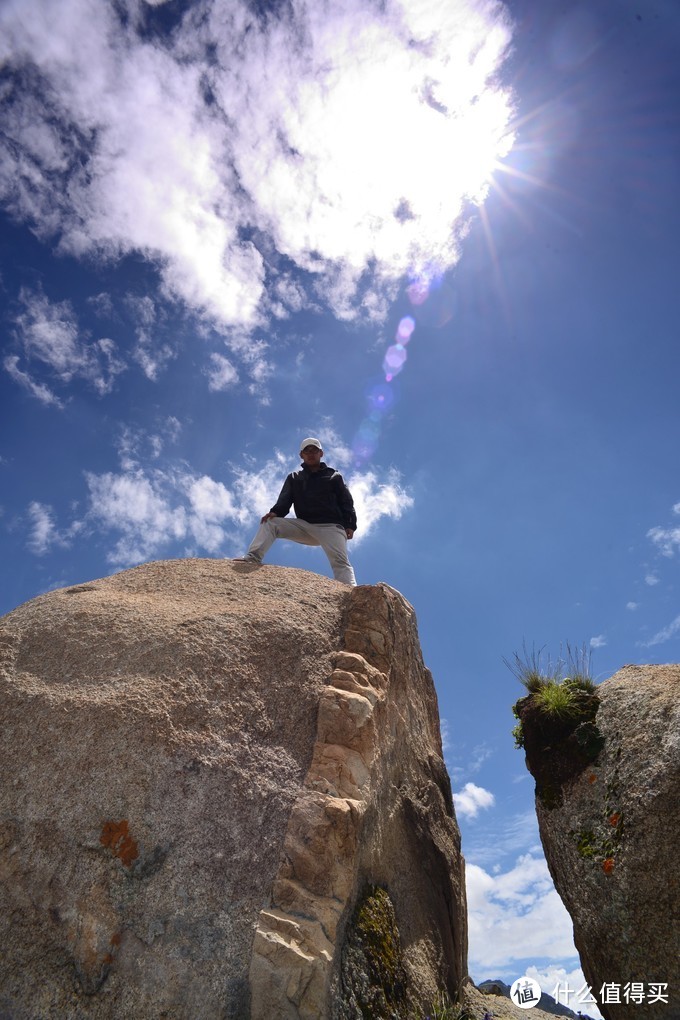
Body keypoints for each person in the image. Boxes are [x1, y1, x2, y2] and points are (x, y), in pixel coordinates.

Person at [236, 438, 357, 585]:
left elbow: (346, 500)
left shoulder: (334, 476)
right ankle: (252, 558)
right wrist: (275, 512)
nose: (311, 454)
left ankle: (351, 591)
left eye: (314, 450)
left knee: (340, 562)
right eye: (307, 451)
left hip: (331, 527)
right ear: (301, 455)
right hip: (305, 526)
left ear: (321, 453)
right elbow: (285, 499)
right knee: (270, 523)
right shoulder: (294, 478)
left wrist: (350, 523)